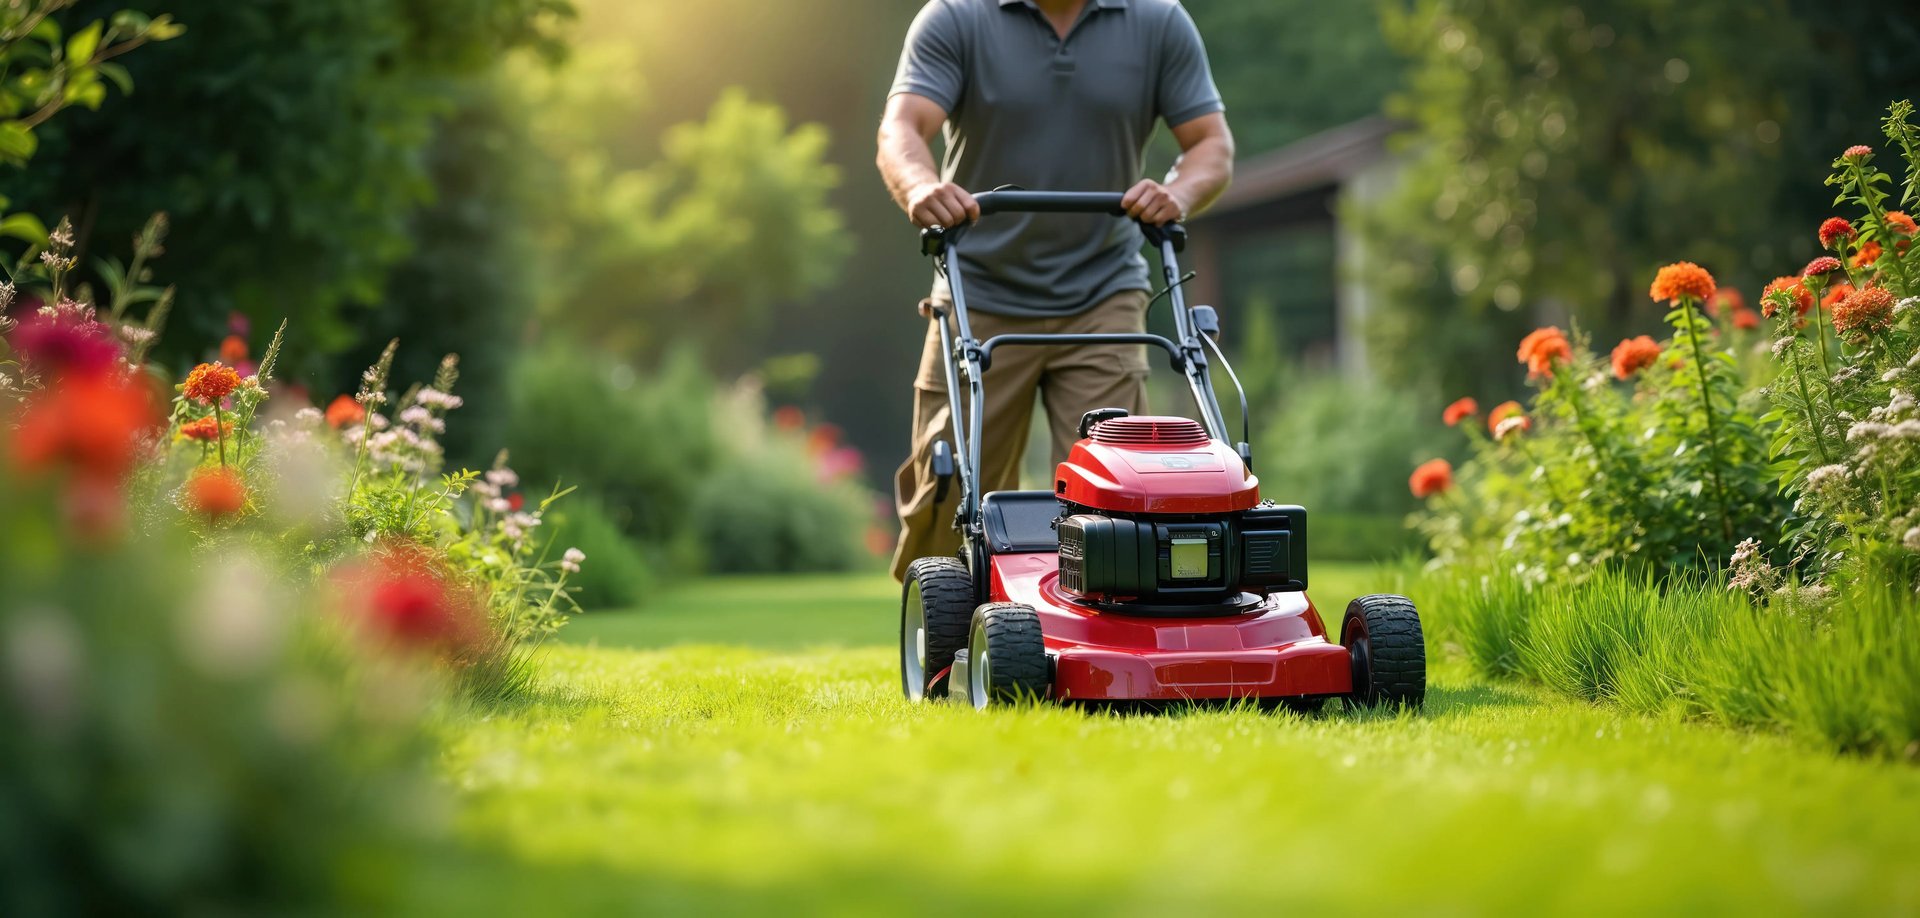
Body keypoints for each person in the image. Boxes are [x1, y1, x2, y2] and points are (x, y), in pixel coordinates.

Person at [877, 0, 1235, 580]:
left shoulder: (1157, 22)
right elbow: (902, 128)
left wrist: (1178, 193)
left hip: (1105, 290)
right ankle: (944, 641)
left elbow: (1211, 145)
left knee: (1116, 486)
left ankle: (1101, 636)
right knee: (950, 487)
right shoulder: (956, 18)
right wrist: (920, 185)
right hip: (979, 289)